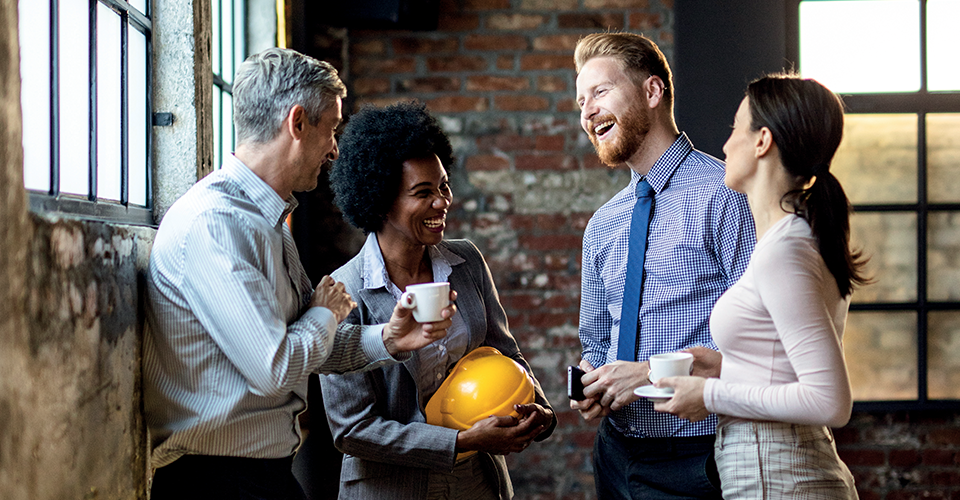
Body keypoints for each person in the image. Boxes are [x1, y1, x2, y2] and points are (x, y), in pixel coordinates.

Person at [144, 48, 456, 500]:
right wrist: (326, 311)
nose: (333, 148)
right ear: (297, 123)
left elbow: (306, 345)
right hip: (216, 482)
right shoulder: (216, 223)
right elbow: (276, 366)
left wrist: (388, 338)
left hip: (256, 475)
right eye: (330, 128)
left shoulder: (266, 219)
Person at [320, 101, 557, 500]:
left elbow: (505, 355)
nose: (442, 202)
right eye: (423, 192)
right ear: (381, 199)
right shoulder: (343, 293)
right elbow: (352, 430)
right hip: (389, 490)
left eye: (444, 186)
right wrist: (460, 441)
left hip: (477, 483)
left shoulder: (466, 263)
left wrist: (538, 411)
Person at [654, 74, 866, 499]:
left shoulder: (784, 249)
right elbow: (784, 369)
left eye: (736, 129)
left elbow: (829, 401)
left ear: (762, 141)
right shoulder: (788, 240)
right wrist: (723, 367)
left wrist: (710, 394)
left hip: (781, 476)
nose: (726, 143)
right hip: (777, 472)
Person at [571, 32, 756, 499]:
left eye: (600, 92)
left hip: (700, 455)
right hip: (615, 454)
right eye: (580, 102)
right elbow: (596, 339)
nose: (587, 112)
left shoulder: (726, 195)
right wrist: (594, 382)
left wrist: (650, 372)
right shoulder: (603, 224)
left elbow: (760, 340)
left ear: (652, 92)